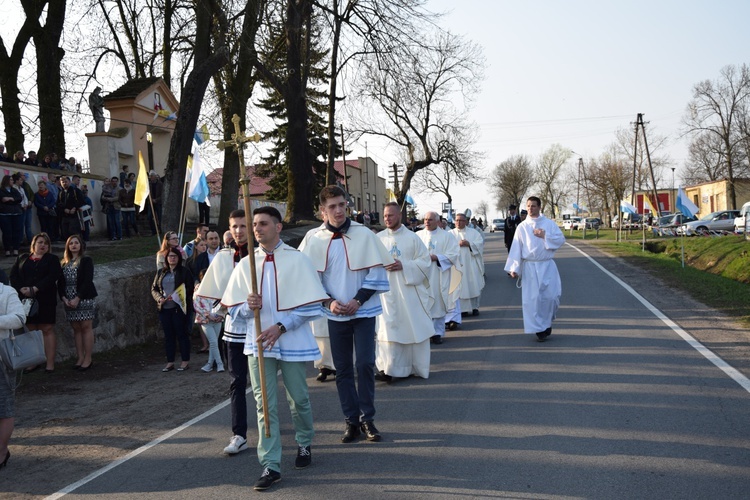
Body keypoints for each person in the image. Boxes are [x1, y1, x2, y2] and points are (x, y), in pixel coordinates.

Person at [222, 206, 328, 491]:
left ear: (278, 227)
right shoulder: (246, 264)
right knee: (264, 405)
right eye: (254, 224)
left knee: (299, 399)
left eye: (263, 224)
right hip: (257, 344)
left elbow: (311, 306)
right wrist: (248, 306)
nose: (256, 229)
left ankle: (304, 443)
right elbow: (233, 311)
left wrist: (281, 326)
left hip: (290, 341)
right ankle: (270, 464)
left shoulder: (297, 260)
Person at [299, 185, 392, 443]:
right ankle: (351, 420)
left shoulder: (365, 234)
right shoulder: (313, 239)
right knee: (341, 369)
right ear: (322, 211)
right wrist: (329, 302)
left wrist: (358, 300)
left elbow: (377, 273)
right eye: (332, 207)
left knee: (364, 363)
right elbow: (309, 278)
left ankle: (368, 419)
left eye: (342, 204)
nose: (338, 210)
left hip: (363, 311)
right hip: (335, 313)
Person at [194, 209, 250, 455]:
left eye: (243, 226)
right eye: (234, 226)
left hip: (262, 329)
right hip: (234, 330)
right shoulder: (224, 258)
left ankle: (268, 425)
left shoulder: (262, 255)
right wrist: (219, 308)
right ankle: (239, 434)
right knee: (236, 382)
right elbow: (214, 293)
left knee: (262, 384)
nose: (238, 231)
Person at [375, 202, 434, 381]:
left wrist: (404, 266)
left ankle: (413, 367)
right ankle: (388, 368)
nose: (387, 219)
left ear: (399, 216)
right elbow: (368, 262)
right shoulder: (377, 238)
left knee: (411, 327)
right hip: (385, 292)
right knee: (388, 328)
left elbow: (425, 263)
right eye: (385, 216)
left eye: (390, 215)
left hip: (408, 293)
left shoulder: (413, 238)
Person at [504, 196, 566, 342]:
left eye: (533, 206)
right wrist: (514, 267)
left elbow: (560, 239)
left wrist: (545, 235)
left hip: (547, 265)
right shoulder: (522, 227)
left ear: (539, 207)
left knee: (551, 297)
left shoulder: (548, 224)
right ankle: (540, 329)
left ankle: (547, 322)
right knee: (534, 300)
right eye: (529, 206)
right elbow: (516, 248)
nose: (531, 209)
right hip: (530, 267)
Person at [10, 233, 61, 373]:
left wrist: (36, 288)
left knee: (47, 329)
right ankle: (34, 362)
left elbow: (53, 275)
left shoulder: (52, 259)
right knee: (31, 331)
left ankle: (50, 364)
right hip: (26, 300)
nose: (43, 245)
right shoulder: (22, 258)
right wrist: (22, 288)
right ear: (34, 244)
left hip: (45, 299)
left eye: (46, 243)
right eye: (40, 242)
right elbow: (13, 275)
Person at [417, 211, 461, 342]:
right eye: (425, 219)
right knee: (422, 302)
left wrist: (437, 257)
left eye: (430, 219)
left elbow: (454, 254)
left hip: (438, 274)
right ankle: (424, 332)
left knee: (438, 302)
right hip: (421, 275)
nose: (427, 222)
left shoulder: (447, 237)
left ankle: (437, 333)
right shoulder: (417, 236)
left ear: (437, 221)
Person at [57, 235, 97, 371]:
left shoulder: (86, 260)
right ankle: (80, 357)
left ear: (81, 245)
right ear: (67, 246)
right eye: (71, 243)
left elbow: (87, 280)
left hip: (83, 298)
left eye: (76, 243)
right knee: (76, 329)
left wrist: (77, 298)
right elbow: (60, 283)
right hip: (68, 300)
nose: (74, 245)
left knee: (86, 327)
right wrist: (64, 298)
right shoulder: (63, 263)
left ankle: (88, 358)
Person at [151, 247, 194, 371]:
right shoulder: (161, 273)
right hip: (165, 309)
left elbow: (190, 288)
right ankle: (170, 361)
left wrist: (178, 297)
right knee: (169, 336)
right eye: (170, 256)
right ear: (166, 258)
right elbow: (154, 289)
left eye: (175, 256)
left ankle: (185, 361)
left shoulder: (184, 271)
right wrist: (159, 299)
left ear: (179, 258)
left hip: (179, 308)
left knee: (182, 334)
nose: (172, 258)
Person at [0, 277, 26, 471]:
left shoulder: (6, 292)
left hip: (2, 359)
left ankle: (1, 452)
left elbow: (19, 318)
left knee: (4, 408)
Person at [450, 212, 485, 316]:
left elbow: (480, 244)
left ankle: (475, 307)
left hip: (471, 263)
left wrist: (469, 244)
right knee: (460, 286)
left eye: (461, 220)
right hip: (457, 265)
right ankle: (463, 310)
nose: (458, 222)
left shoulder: (473, 233)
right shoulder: (449, 234)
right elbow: (446, 248)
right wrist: (458, 244)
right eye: (457, 220)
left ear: (465, 221)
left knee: (473, 283)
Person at [193, 269, 224, 373]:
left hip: (217, 319)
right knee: (213, 342)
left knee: (213, 343)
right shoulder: (198, 291)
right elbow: (197, 306)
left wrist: (221, 314)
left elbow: (223, 303)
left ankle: (210, 364)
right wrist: (208, 315)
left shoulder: (218, 290)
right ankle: (220, 364)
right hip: (205, 320)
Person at [0, 175, 23, 257]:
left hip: (16, 213)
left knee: (16, 232)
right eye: (11, 180)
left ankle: (16, 249)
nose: (12, 181)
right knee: (7, 232)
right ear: (6, 181)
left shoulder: (14, 190)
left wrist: (10, 199)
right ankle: (7, 250)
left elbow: (19, 198)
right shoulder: (1, 190)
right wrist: (11, 199)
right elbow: (2, 199)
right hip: (4, 214)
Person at [56, 176, 84, 240]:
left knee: (74, 233)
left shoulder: (76, 191)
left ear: (70, 182)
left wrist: (74, 208)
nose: (64, 183)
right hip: (64, 216)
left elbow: (81, 201)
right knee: (65, 234)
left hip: (74, 216)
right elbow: (58, 204)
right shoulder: (60, 193)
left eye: (66, 182)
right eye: (62, 182)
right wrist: (64, 210)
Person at [12, 173, 34, 245]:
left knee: (28, 225)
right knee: (20, 226)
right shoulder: (14, 188)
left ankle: (30, 240)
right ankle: (20, 240)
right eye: (21, 180)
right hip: (20, 209)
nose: (22, 181)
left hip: (26, 208)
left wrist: (27, 204)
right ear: (17, 180)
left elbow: (25, 198)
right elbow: (17, 199)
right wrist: (22, 205)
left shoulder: (22, 188)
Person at [147, 171, 163, 236]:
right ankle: (153, 230)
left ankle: (160, 230)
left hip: (158, 202)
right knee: (149, 217)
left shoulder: (160, 184)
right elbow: (147, 193)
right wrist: (150, 199)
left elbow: (162, 194)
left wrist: (156, 200)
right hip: (151, 202)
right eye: (150, 176)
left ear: (155, 176)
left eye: (152, 176)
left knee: (160, 217)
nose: (151, 178)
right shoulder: (149, 184)